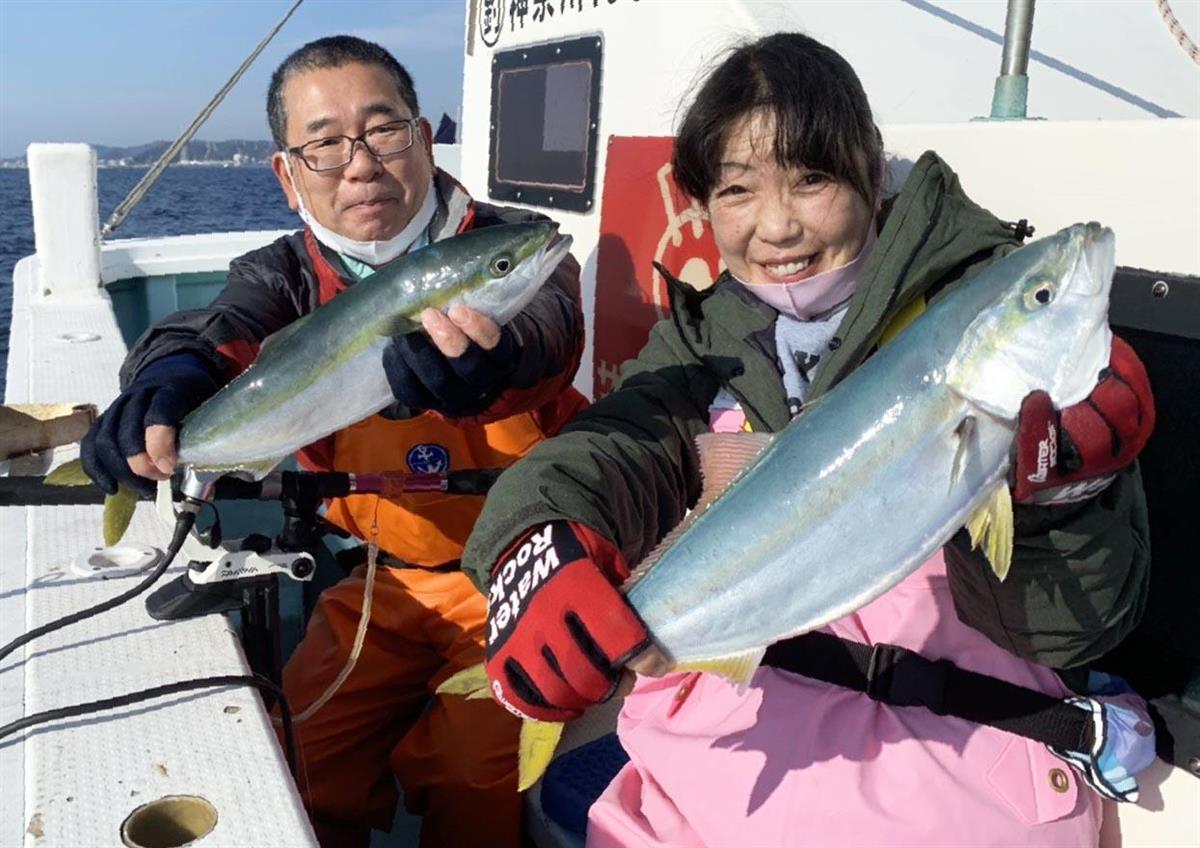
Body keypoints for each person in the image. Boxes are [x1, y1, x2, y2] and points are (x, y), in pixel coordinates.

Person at [460, 33, 1157, 847]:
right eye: (736, 192)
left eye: (812, 180)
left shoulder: (967, 302)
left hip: (947, 785)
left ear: (869, 169)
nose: (776, 227)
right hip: (714, 774)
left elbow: (1078, 628)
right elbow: (612, 446)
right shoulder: (705, 338)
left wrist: (1063, 496)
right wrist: (539, 538)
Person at [80, 35, 587, 848]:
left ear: (423, 139)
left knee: (474, 769)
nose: (359, 164)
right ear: (287, 174)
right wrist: (160, 381)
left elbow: (551, 333)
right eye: (323, 143)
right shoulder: (279, 276)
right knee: (299, 752)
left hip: (518, 573)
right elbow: (213, 332)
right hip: (378, 585)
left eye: (383, 130)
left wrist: (495, 363)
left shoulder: (508, 240)